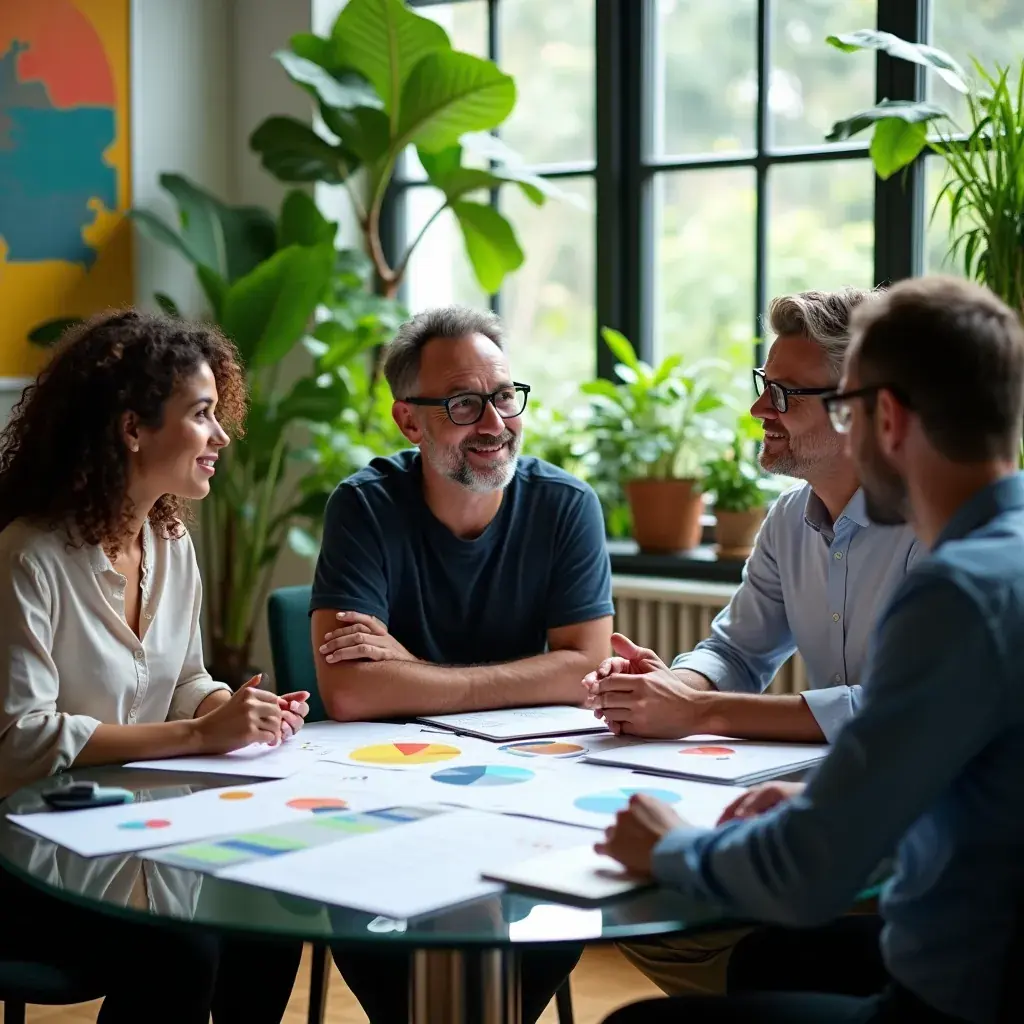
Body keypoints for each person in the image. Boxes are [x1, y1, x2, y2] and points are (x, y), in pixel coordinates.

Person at [596, 274, 1024, 1024]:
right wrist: (680, 690)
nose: (762, 409)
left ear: (883, 417)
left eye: (849, 405)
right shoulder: (999, 554)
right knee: (764, 961)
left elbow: (809, 875)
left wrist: (671, 848)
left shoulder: (956, 588)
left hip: (955, 997)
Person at [583, 288, 921, 997]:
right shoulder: (788, 520)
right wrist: (679, 686)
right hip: (814, 804)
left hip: (900, 830)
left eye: (785, 394)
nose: (759, 410)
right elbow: (735, 651)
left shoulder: (933, 526)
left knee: (673, 909)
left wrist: (700, 713)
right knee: (640, 895)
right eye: (764, 387)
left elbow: (894, 712)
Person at [0, 309, 308, 1023]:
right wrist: (199, 738)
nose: (222, 437)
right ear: (133, 428)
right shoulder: (27, 558)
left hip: (133, 839)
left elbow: (185, 681)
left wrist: (226, 710)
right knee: (184, 949)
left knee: (268, 920)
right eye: (202, 415)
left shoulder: (170, 544)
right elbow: (20, 741)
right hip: (28, 855)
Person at [309, 305, 615, 1023]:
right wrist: (527, 675)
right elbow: (350, 694)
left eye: (505, 396)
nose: (494, 421)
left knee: (558, 923)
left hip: (529, 792)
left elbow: (585, 671)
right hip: (377, 792)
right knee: (373, 937)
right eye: (463, 403)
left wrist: (413, 670)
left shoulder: (567, 506)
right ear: (408, 422)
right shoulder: (365, 507)